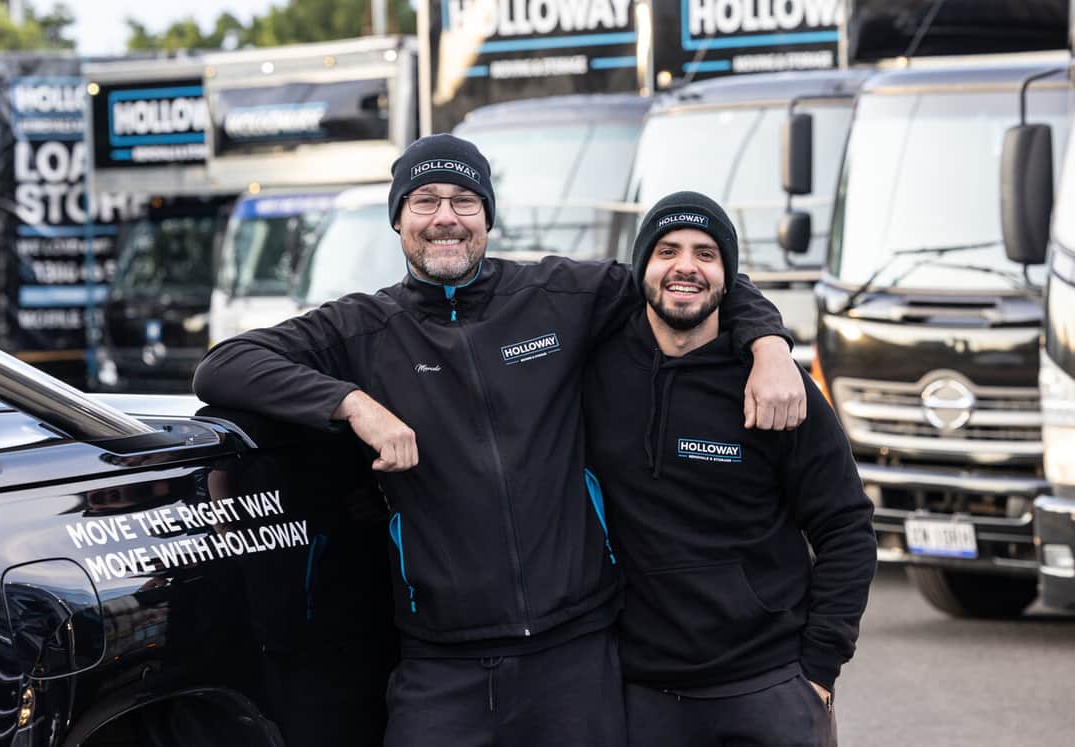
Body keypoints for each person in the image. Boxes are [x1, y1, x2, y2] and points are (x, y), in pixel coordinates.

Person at [193, 135, 807, 747]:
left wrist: (769, 345)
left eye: (463, 201)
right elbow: (224, 365)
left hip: (577, 657)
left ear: (487, 216)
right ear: (399, 219)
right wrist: (351, 404)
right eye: (424, 201)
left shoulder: (557, 297)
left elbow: (683, 275)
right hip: (442, 667)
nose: (444, 219)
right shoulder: (363, 329)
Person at [582, 191, 877, 747]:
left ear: (728, 276)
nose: (685, 267)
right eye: (667, 251)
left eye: (706, 253)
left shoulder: (778, 390)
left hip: (768, 690)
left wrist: (817, 671)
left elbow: (846, 529)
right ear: (642, 265)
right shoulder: (594, 372)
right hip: (641, 696)